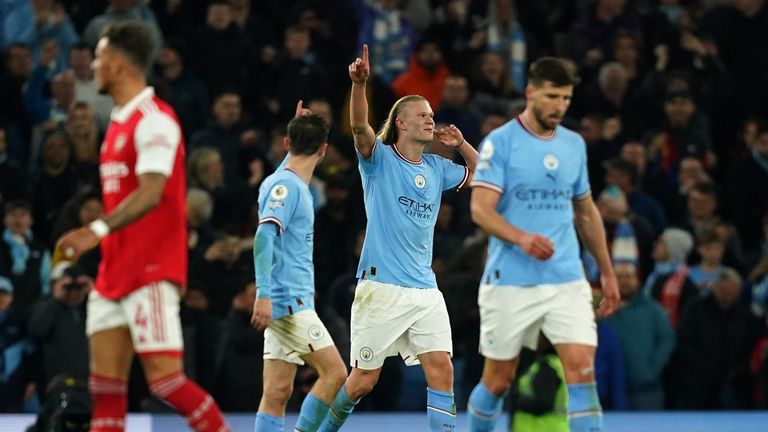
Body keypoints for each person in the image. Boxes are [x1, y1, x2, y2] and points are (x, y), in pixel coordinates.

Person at [55, 22, 229, 432]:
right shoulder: (117, 123)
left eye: (98, 58)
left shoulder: (156, 120)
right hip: (113, 273)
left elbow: (152, 193)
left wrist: (93, 231)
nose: (93, 66)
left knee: (166, 382)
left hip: (151, 270)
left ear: (115, 64)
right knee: (105, 390)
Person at [319, 44, 478, 432]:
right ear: (401, 123)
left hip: (424, 288)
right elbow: (359, 128)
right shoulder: (379, 160)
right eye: (421, 115)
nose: (430, 119)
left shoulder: (439, 168)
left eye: (432, 114)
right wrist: (359, 86)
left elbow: (484, 175)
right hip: (381, 288)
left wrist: (462, 147)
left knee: (442, 369)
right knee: (362, 382)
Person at [467, 57, 619, 432]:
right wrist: (521, 238)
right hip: (510, 280)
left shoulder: (574, 145)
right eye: (552, 96)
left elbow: (586, 212)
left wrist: (608, 271)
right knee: (498, 380)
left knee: (583, 371)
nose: (560, 106)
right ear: (530, 92)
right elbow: (480, 210)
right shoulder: (499, 143)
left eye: (566, 98)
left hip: (566, 277)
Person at [250, 111, 348, 432]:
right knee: (335, 374)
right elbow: (264, 236)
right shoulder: (287, 187)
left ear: (286, 143)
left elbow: (285, 172)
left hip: (286, 302)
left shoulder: (282, 181)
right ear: (323, 149)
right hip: (288, 303)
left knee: (277, 392)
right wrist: (263, 295)